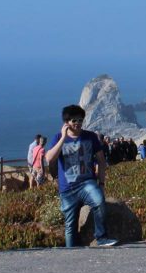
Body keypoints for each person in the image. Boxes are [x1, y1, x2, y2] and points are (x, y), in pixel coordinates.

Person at [45, 105, 117, 248]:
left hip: (87, 183)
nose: (77, 123)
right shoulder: (58, 138)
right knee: (70, 226)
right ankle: (71, 253)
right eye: (74, 120)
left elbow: (101, 161)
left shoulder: (90, 137)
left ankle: (101, 237)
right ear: (66, 122)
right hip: (67, 189)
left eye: (80, 120)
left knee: (98, 201)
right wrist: (63, 138)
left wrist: (101, 184)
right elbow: (49, 158)